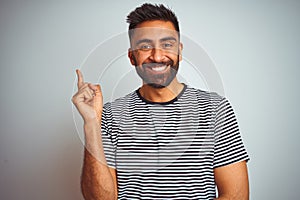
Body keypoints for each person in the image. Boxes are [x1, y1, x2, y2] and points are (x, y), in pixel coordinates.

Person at [72, 3, 249, 200]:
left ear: (179, 51)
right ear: (132, 56)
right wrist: (91, 123)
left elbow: (236, 195)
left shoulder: (215, 109)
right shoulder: (110, 114)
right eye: (145, 46)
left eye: (167, 44)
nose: (157, 56)